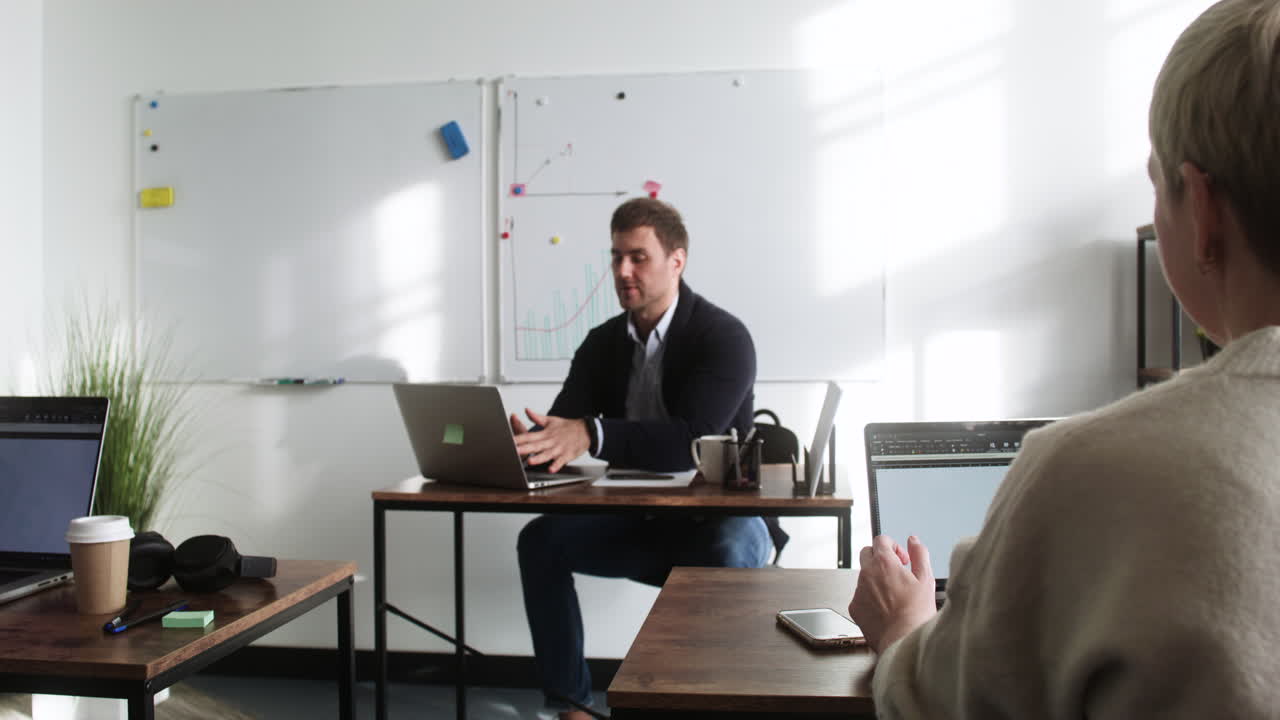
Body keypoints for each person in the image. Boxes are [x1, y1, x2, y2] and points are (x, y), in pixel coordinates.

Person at [849, 1, 1280, 716]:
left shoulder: (1091, 470)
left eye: (1158, 184)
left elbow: (942, 704)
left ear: (1201, 211)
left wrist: (902, 626)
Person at [513, 197, 772, 719]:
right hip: (640, 521)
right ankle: (571, 706)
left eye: (638, 257)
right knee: (539, 541)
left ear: (677, 261)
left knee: (732, 545)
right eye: (615, 257)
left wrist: (591, 433)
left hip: (716, 521)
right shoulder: (600, 344)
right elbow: (568, 429)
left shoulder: (724, 337)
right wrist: (530, 445)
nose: (622, 271)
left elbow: (693, 439)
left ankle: (714, 705)